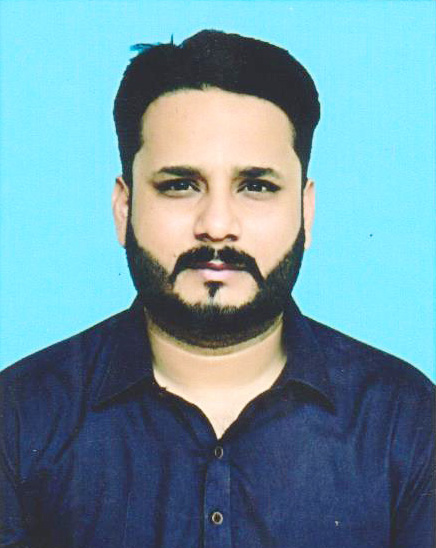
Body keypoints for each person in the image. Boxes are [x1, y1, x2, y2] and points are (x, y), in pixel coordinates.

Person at [0, 30, 433, 548]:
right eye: (180, 185)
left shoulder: (405, 419)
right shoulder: (19, 417)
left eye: (257, 186)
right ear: (124, 207)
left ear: (306, 210)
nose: (217, 225)